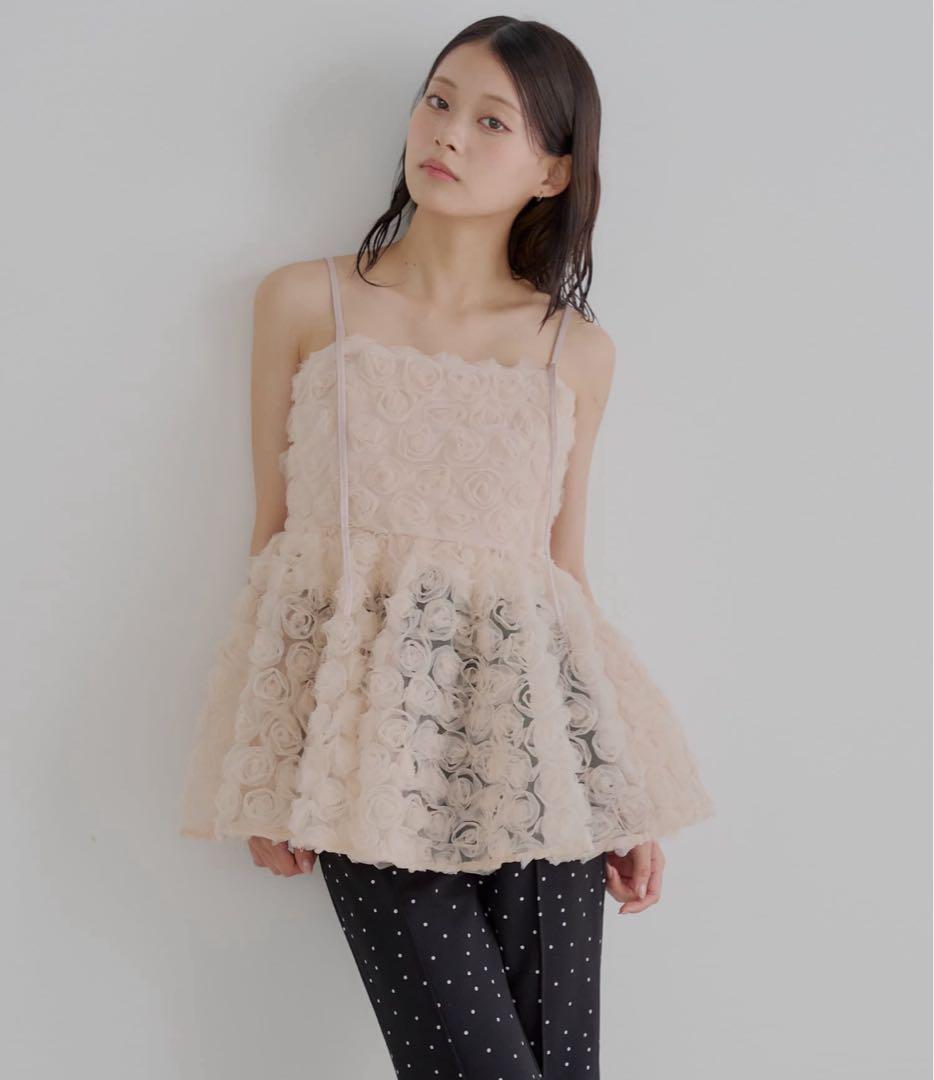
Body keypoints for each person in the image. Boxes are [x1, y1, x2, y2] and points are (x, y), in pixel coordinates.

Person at [179, 16, 715, 1079]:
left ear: (553, 171)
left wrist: (618, 792)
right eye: (437, 100)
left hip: (540, 760)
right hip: (366, 761)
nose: (448, 133)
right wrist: (270, 765)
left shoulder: (575, 351)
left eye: (491, 120)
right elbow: (275, 543)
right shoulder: (306, 300)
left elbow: (560, 579)